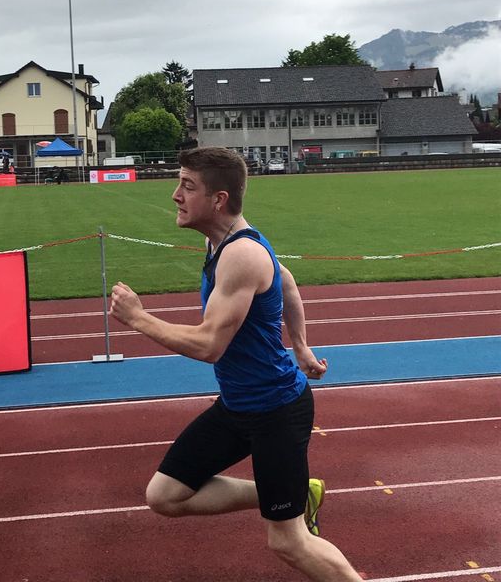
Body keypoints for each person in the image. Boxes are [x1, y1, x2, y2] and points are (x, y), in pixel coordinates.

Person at [110, 147, 362, 581]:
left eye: (187, 186)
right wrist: (300, 346)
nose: (175, 195)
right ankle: (295, 494)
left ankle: (294, 505)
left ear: (218, 199)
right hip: (238, 405)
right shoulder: (221, 241)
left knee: (288, 541)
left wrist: (138, 318)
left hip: (276, 411)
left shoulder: (241, 254)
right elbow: (286, 280)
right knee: (165, 495)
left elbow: (210, 345)